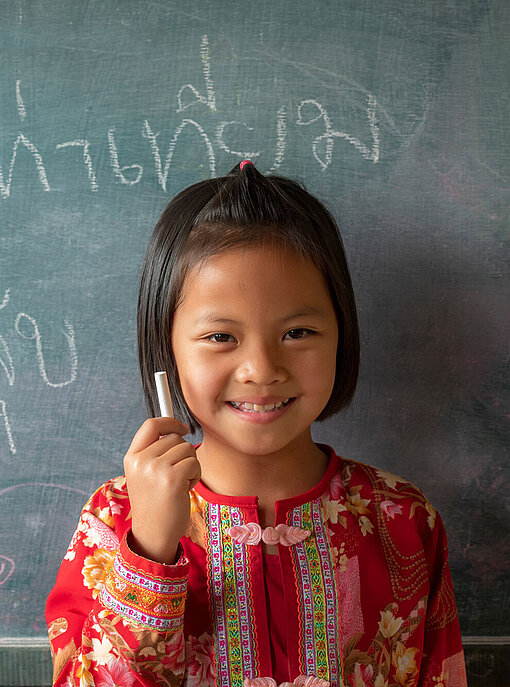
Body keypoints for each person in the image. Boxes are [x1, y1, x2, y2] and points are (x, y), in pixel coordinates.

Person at [46, 161, 467, 687]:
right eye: (221, 337)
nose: (262, 369)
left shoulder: (403, 519)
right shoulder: (113, 522)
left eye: (298, 332)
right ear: (167, 349)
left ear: (343, 332)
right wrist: (150, 553)